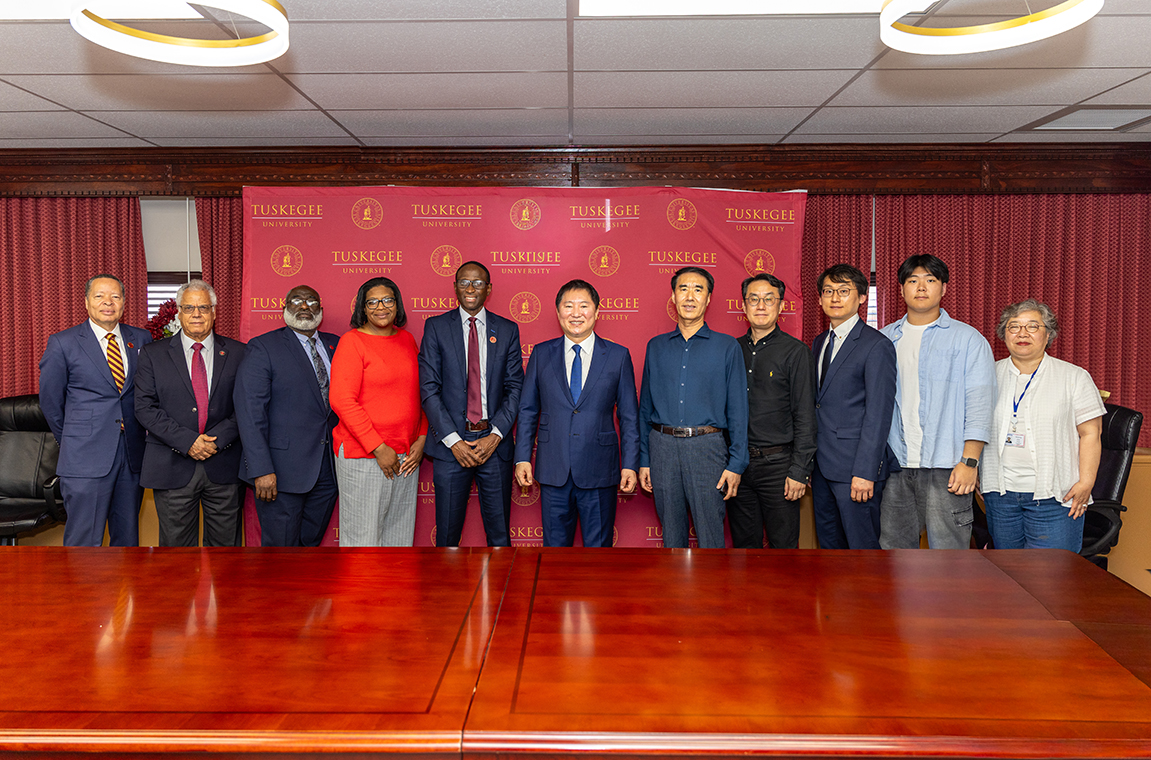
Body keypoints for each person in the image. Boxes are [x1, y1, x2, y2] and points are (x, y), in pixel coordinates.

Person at [879, 255, 996, 550]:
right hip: (895, 466)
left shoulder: (968, 339)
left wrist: (970, 462)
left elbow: (980, 404)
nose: (921, 287)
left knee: (949, 556)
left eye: (930, 280)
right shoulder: (884, 339)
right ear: (901, 288)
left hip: (948, 466)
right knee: (893, 553)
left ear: (943, 288)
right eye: (913, 280)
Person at [514, 279, 640, 547]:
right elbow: (527, 410)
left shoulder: (618, 356)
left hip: (599, 470)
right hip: (553, 468)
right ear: (558, 311)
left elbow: (629, 417)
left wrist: (629, 464)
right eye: (568, 306)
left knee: (599, 553)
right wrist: (522, 458)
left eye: (584, 306)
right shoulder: (541, 353)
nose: (576, 313)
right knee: (554, 554)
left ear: (597, 311)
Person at [981, 299, 1104, 552]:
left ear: (1048, 334)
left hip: (1056, 496)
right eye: (1014, 326)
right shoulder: (986, 375)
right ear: (1004, 334)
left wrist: (1086, 483)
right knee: (1009, 576)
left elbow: (1091, 433)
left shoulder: (1074, 377)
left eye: (1032, 326)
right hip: (1000, 496)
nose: (1022, 333)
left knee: (1052, 580)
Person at [638, 266, 748, 549]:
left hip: (707, 448)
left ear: (708, 298)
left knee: (710, 535)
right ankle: (674, 593)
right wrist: (644, 459)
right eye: (683, 289)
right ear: (673, 297)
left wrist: (736, 463)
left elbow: (738, 409)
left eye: (698, 290)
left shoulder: (727, 347)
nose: (690, 296)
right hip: (662, 448)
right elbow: (644, 408)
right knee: (671, 537)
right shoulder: (656, 346)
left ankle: (712, 593)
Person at [39, 274, 152, 546]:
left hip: (132, 455)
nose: (108, 303)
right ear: (87, 302)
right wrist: (71, 440)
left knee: (127, 541)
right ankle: (82, 591)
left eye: (115, 296)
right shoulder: (63, 343)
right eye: (100, 296)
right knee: (84, 542)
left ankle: (124, 591)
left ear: (124, 303)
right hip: (84, 458)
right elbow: (50, 401)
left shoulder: (141, 338)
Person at [419, 261, 523, 547]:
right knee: (447, 538)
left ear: (488, 289)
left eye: (478, 283)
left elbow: (515, 388)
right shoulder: (436, 327)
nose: (470, 288)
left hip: (494, 444)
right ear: (454, 287)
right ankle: (447, 592)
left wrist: (496, 435)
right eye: (464, 282)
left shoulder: (507, 329)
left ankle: (502, 591)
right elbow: (428, 390)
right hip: (452, 445)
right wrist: (454, 442)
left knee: (500, 537)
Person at [135, 280, 245, 547]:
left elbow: (246, 406)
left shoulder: (239, 353)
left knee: (225, 554)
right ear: (179, 313)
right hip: (171, 466)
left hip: (224, 465)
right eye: (189, 307)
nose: (197, 314)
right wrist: (189, 442)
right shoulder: (153, 354)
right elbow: (144, 407)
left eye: (204, 307)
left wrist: (214, 441)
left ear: (215, 312)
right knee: (176, 558)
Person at [235, 285, 340, 546]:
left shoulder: (336, 345)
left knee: (310, 548)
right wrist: (261, 470)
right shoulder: (263, 347)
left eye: (312, 302)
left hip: (329, 471)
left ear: (321, 310)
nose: (304, 306)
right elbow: (250, 413)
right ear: (284, 308)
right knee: (280, 555)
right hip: (279, 474)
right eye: (296, 300)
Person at [329, 277, 427, 547]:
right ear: (362, 307)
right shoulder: (352, 342)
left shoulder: (407, 340)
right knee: (363, 540)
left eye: (388, 300)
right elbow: (342, 400)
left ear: (397, 305)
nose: (380, 307)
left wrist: (421, 438)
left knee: (399, 538)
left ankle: (394, 591)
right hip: (364, 455)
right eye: (372, 301)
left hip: (407, 455)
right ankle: (361, 591)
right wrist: (378, 447)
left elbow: (422, 393)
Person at [810, 264, 897, 550]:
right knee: (829, 547)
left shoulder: (876, 345)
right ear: (820, 299)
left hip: (855, 472)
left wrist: (865, 471)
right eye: (828, 291)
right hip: (822, 467)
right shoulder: (820, 342)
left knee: (861, 551)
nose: (835, 298)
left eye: (844, 291)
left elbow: (878, 414)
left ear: (861, 297)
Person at [729, 273, 816, 549]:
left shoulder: (796, 352)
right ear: (743, 306)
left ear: (780, 307)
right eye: (754, 299)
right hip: (738, 466)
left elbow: (805, 414)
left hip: (779, 466)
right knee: (744, 547)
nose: (761, 305)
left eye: (769, 299)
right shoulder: (731, 350)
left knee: (783, 547)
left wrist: (799, 470)